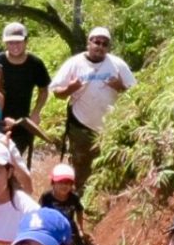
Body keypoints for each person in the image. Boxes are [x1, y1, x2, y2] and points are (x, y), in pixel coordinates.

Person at [48, 26, 135, 200]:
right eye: (96, 42)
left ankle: (108, 200)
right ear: (89, 42)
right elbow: (56, 92)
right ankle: (81, 199)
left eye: (104, 43)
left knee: (110, 163)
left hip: (111, 125)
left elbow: (135, 93)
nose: (99, 46)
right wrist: (70, 88)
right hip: (81, 122)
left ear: (108, 46)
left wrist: (119, 86)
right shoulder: (75, 63)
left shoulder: (117, 65)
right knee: (82, 163)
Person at [0, 22, 55, 163]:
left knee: (13, 163)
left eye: (18, 42)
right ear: (5, 43)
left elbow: (43, 89)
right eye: (10, 43)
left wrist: (36, 112)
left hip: (21, 124)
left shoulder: (35, 64)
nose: (15, 46)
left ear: (26, 41)